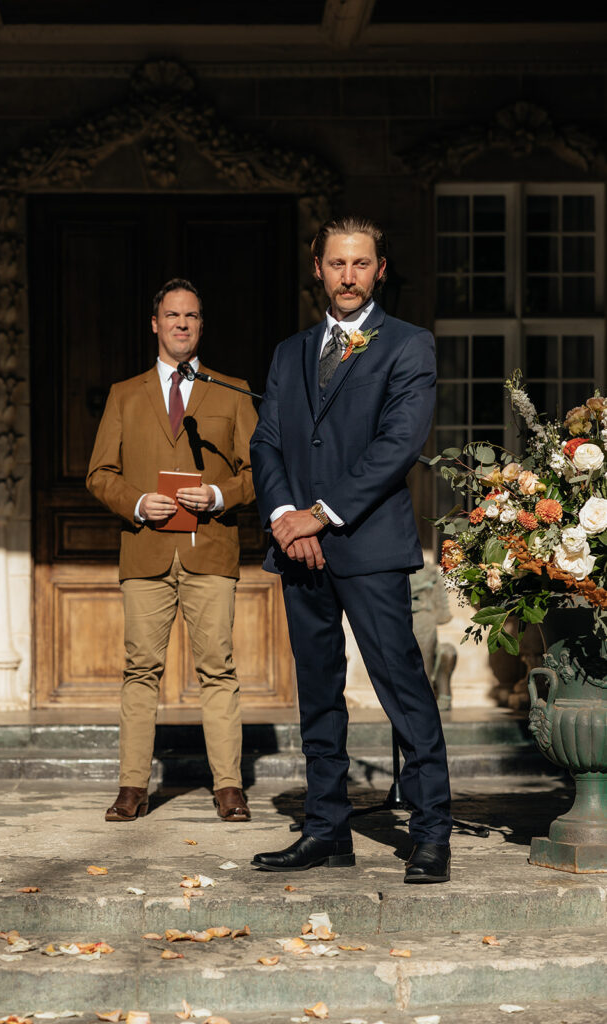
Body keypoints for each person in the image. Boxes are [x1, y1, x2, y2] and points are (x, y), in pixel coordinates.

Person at [249, 216, 452, 882]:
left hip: (367, 545)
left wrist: (318, 516)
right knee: (319, 696)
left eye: (359, 264)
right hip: (299, 549)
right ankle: (325, 828)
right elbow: (268, 443)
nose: (347, 276)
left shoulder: (407, 345)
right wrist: (284, 517)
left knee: (403, 693)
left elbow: (397, 445)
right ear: (317, 268)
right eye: (336, 264)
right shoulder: (288, 352)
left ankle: (429, 834)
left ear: (379, 270)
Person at [87, 278, 258, 824]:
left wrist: (216, 494)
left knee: (219, 670)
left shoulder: (231, 390)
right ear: (155, 324)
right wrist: (137, 503)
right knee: (140, 670)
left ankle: (228, 787)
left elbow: (259, 473)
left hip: (209, 550)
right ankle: (132, 787)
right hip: (146, 553)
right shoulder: (124, 393)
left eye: (191, 316)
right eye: (172, 315)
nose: (182, 324)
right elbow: (99, 473)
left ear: (200, 326)